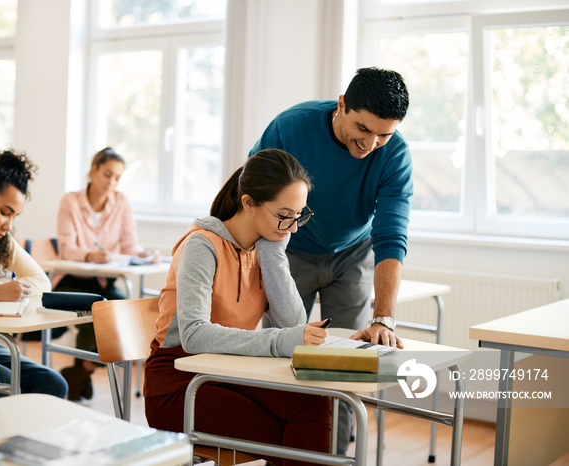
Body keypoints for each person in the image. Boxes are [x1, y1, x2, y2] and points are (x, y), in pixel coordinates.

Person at [249, 66, 412, 454]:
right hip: (288, 249)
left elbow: (390, 236)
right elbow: (252, 195)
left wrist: (383, 318)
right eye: (362, 129)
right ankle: (279, 456)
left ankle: (334, 459)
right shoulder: (290, 127)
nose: (371, 143)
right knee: (281, 352)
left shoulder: (395, 154)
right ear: (342, 105)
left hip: (352, 255)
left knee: (344, 367)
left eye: (383, 134)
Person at [144, 149, 332, 465]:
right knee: (284, 434)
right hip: (178, 385)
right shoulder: (201, 246)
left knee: (313, 406)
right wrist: (281, 341)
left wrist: (274, 253)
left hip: (227, 372)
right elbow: (193, 335)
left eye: (299, 214)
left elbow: (292, 324)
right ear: (248, 203)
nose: (294, 227)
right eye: (285, 215)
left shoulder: (265, 249)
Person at [54, 147, 160, 401]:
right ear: (93, 170)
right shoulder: (70, 201)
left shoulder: (121, 202)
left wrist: (142, 254)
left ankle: (80, 371)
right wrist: (90, 255)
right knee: (97, 310)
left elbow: (128, 245)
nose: (111, 183)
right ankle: (81, 373)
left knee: (125, 313)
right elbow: (66, 248)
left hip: (104, 280)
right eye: (107, 174)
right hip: (70, 279)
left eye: (116, 178)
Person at [0, 150, 68, 399]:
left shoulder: (0, 239)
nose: (9, 226)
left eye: (14, 216)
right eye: (5, 212)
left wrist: (3, 289)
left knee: (54, 385)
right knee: (5, 383)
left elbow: (41, 281)